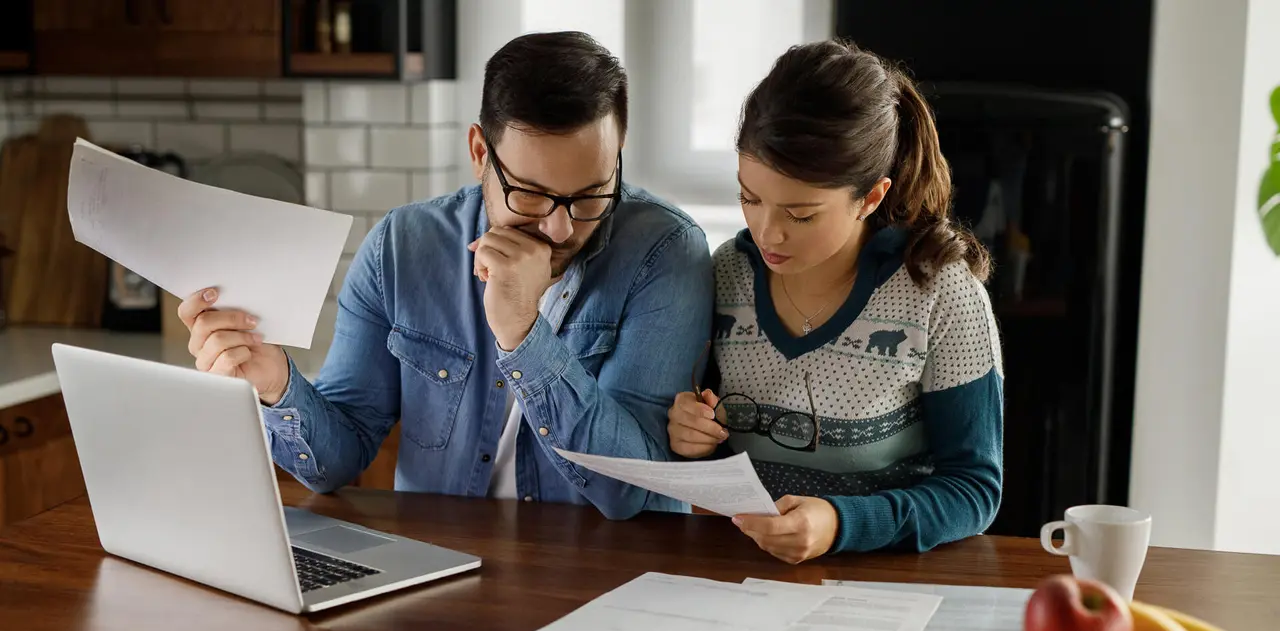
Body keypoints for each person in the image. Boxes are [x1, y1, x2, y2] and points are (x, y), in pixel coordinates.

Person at [179, 31, 713, 520]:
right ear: (480, 152)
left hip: (607, 583)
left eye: (592, 194)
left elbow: (630, 495)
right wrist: (275, 385)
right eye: (530, 194)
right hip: (439, 573)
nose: (560, 226)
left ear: (617, 155)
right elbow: (336, 465)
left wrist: (524, 335)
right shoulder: (402, 248)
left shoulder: (666, 252)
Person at [667, 40, 1003, 562]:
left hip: (883, 585)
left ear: (870, 197)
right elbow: (706, 449)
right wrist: (690, 437)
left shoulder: (941, 294)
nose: (766, 233)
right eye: (749, 198)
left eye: (800, 214)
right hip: (740, 575)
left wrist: (842, 523)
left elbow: (974, 490)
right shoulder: (726, 274)